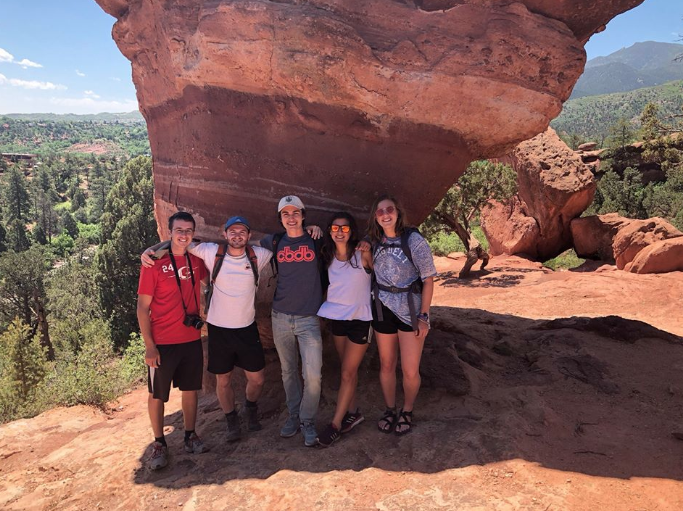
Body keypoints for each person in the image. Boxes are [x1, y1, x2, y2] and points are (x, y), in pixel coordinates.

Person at [141, 216, 273, 443]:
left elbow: (280, 240)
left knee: (256, 378)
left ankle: (249, 409)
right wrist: (150, 249)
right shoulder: (210, 252)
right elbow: (179, 242)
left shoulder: (258, 255)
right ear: (224, 234)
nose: (237, 236)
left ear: (249, 236)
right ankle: (230, 419)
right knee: (222, 380)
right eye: (232, 231)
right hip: (216, 330)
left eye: (242, 232)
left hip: (243, 328)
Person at [137, 211, 209, 471]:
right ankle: (159, 443)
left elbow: (212, 276)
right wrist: (149, 346)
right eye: (179, 230)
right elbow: (142, 308)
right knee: (157, 394)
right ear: (169, 232)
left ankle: (190, 434)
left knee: (190, 389)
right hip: (162, 341)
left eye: (188, 230)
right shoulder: (154, 263)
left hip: (190, 338)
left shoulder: (197, 259)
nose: (184, 235)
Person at [367, 195, 436, 435]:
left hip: (410, 310)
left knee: (409, 369)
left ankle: (407, 410)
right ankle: (390, 409)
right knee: (386, 364)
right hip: (382, 307)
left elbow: (428, 280)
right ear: (375, 217)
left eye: (390, 209)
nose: (385, 214)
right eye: (380, 211)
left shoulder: (414, 240)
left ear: (398, 212)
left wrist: (424, 316)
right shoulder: (375, 241)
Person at [261, 195, 325, 447]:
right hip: (280, 317)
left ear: (304, 215)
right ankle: (294, 416)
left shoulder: (316, 240)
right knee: (288, 372)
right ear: (280, 218)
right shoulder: (274, 241)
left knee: (313, 375)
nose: (291, 217)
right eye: (285, 214)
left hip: (309, 319)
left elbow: (347, 240)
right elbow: (241, 243)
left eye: (295, 212)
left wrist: (318, 229)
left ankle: (308, 420)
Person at [316, 212, 373, 448]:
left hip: (360, 318)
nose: (340, 232)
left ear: (352, 231)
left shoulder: (362, 254)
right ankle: (353, 412)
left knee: (347, 373)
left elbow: (372, 265)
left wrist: (368, 247)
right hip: (336, 317)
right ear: (329, 231)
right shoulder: (327, 256)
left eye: (345, 228)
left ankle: (336, 425)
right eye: (335, 228)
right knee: (346, 369)